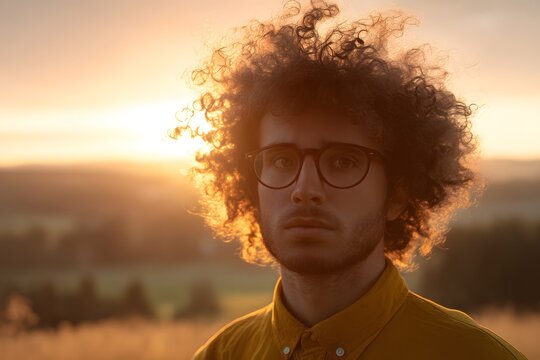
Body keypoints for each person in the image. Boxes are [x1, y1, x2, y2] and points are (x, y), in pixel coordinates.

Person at [175, 1, 527, 359]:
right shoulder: (220, 354)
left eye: (342, 161)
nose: (305, 190)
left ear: (398, 194)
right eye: (281, 159)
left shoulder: (473, 354)